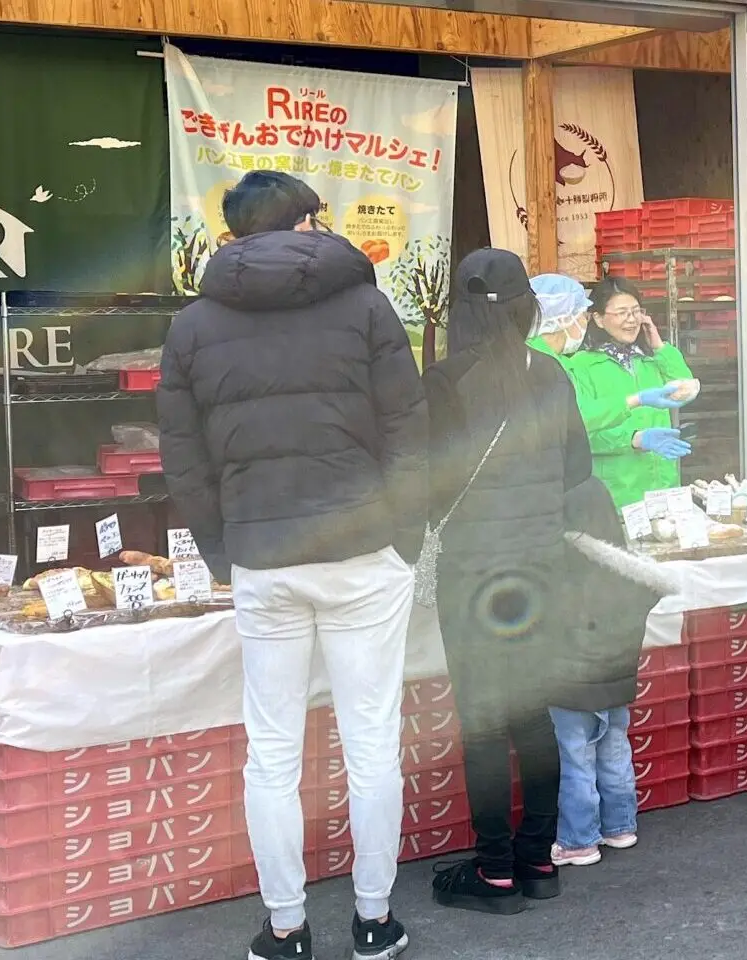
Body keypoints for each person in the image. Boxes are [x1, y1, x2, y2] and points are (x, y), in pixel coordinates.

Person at [158, 171, 427, 960]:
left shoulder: (193, 325)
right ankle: (373, 920)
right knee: (371, 741)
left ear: (234, 234)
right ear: (307, 223)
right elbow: (409, 428)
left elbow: (184, 458)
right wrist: (404, 532)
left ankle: (286, 928)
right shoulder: (366, 305)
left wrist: (222, 549)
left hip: (262, 555)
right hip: (363, 551)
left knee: (272, 750)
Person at [422, 248, 591, 915]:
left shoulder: (444, 381)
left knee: (485, 721)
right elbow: (577, 469)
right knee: (532, 712)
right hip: (541, 567)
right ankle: (539, 859)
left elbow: (427, 482)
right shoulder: (550, 373)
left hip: (473, 574)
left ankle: (494, 869)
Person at [562, 277, 697, 508]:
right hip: (618, 495)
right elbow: (577, 432)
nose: (632, 319)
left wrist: (659, 347)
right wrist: (633, 439)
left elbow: (685, 390)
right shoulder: (581, 366)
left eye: (636, 311)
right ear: (598, 319)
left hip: (663, 488)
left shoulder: (649, 359)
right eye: (622, 313)